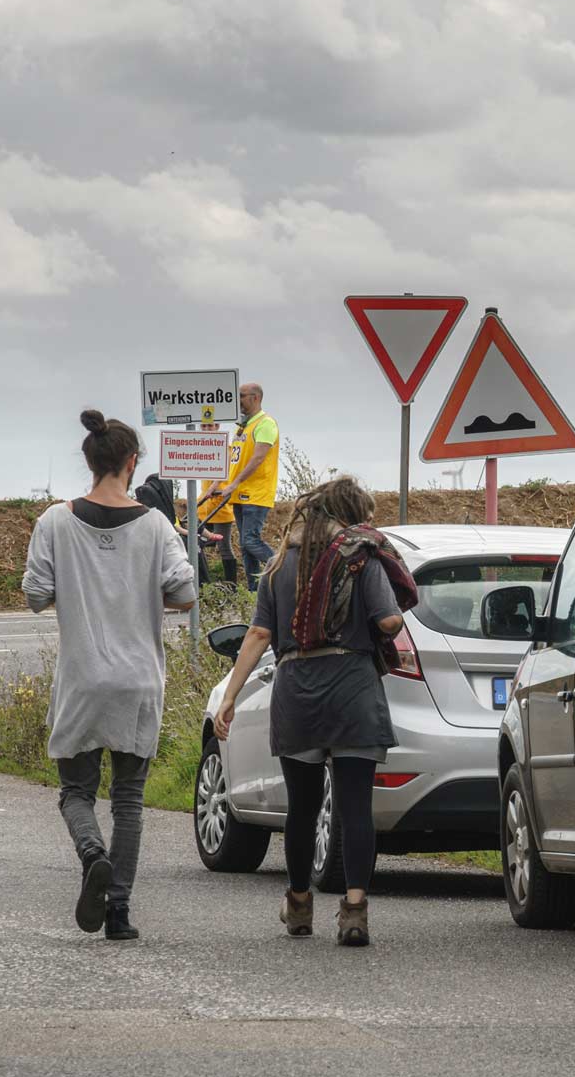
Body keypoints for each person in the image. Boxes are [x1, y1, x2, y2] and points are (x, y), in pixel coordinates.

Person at [22, 411, 197, 941]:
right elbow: (185, 594)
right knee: (128, 800)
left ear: (89, 460)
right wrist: (144, 589)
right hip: (139, 679)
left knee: (76, 792)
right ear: (132, 462)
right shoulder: (157, 525)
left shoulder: (55, 521)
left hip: (82, 679)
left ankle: (92, 853)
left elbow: (35, 594)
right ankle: (118, 913)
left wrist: (76, 587)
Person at [213, 476, 406, 946]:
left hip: (297, 691)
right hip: (353, 691)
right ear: (352, 517)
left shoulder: (279, 565)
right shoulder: (362, 558)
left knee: (302, 807)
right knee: (355, 806)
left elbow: (258, 635)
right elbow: (388, 620)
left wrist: (230, 696)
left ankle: (299, 904)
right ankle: (354, 911)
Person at [196, 382, 279, 582]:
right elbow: (233, 462)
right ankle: (253, 590)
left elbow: (257, 458)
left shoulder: (265, 424)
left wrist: (234, 484)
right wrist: (215, 485)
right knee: (245, 546)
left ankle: (285, 567)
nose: (237, 400)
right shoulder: (243, 427)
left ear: (255, 398)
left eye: (241, 396)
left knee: (250, 541)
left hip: (256, 493)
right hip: (240, 494)